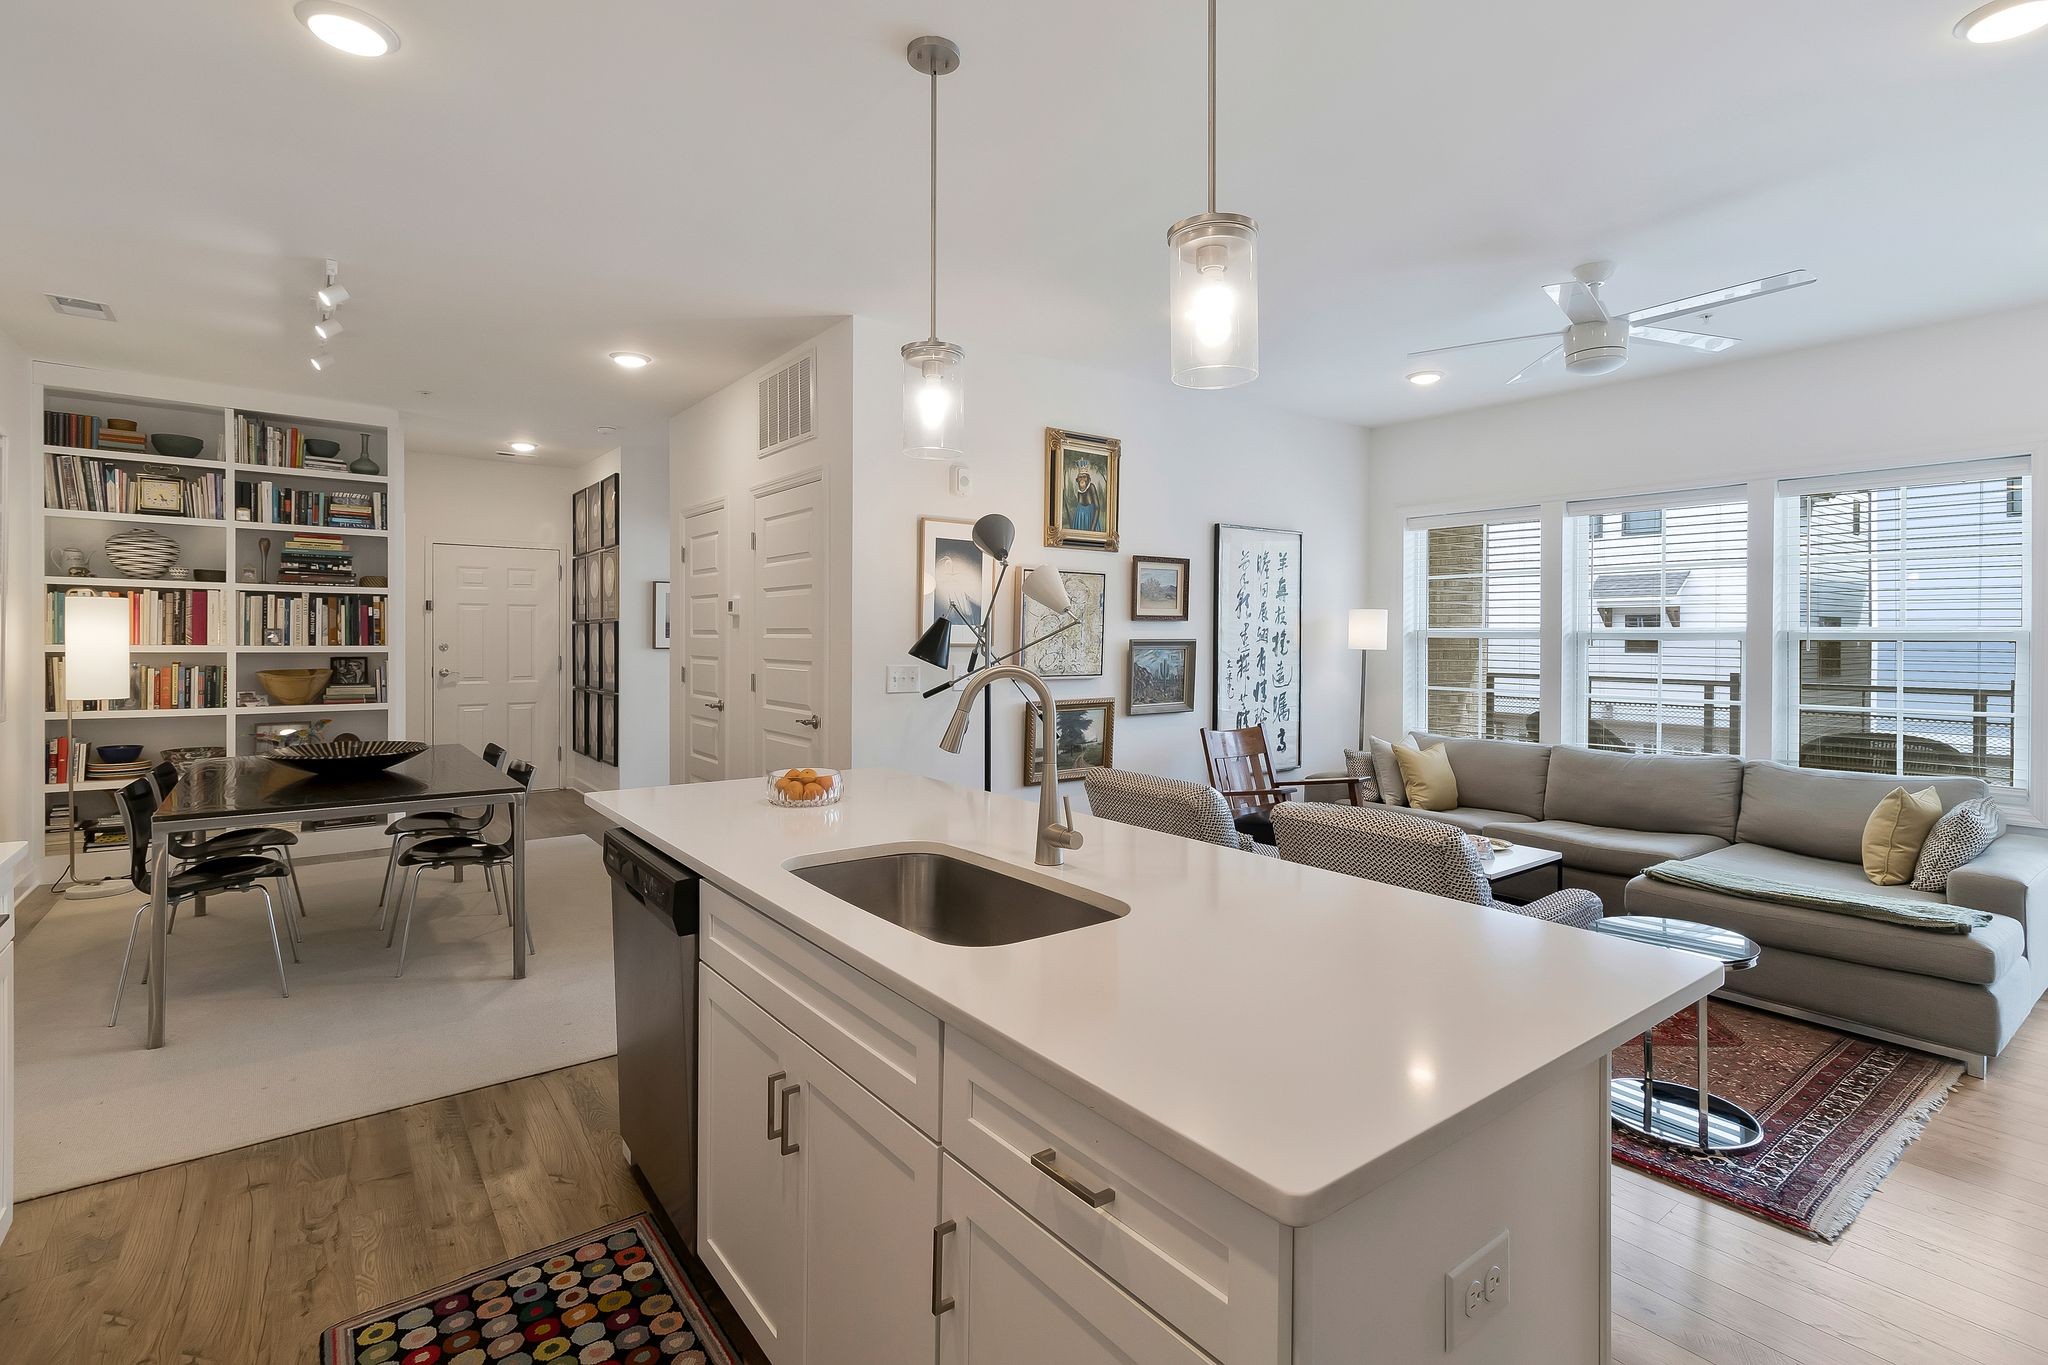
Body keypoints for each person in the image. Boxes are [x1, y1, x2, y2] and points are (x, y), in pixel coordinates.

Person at [1069, 467, 1101, 533]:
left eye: (1084, 477)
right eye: (1080, 477)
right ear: (1077, 480)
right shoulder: (1078, 490)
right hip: (1080, 516)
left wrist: (1093, 527)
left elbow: (1097, 507)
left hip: (1090, 515)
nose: (1082, 480)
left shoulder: (1091, 486)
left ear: (1088, 479)